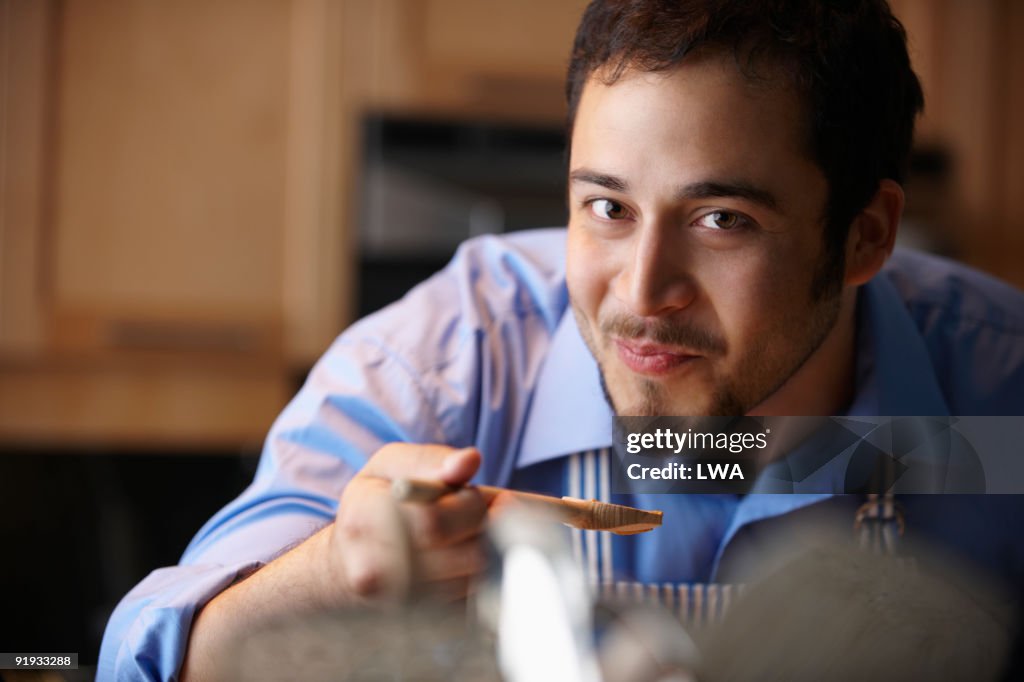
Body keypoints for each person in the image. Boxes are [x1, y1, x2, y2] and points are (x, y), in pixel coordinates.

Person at [99, 0, 1024, 679]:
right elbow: (140, 660)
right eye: (608, 207)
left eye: (722, 220)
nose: (641, 293)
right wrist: (333, 574)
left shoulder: (1001, 400)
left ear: (865, 236)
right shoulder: (443, 362)